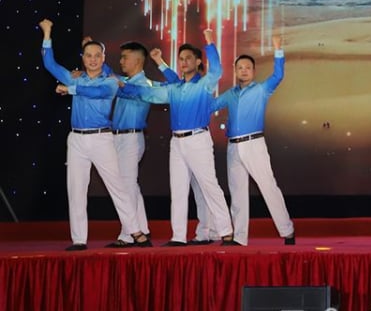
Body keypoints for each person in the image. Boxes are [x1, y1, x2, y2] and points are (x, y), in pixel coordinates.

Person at [38, 19, 151, 251]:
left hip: (101, 139)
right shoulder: (76, 77)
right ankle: (79, 239)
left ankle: (136, 231)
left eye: (97, 56)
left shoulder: (110, 82)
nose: (92, 59)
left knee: (117, 186)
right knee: (76, 189)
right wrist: (47, 33)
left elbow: (96, 92)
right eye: (88, 55)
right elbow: (50, 64)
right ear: (83, 58)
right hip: (77, 139)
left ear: (103, 58)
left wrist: (70, 89)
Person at [121, 30, 236, 246]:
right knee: (178, 189)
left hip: (198, 140)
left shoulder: (204, 84)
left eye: (188, 58)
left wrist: (210, 41)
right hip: (176, 142)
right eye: (181, 59)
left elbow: (217, 70)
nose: (183, 62)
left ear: (198, 62)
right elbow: (150, 94)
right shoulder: (174, 88)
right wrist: (124, 86)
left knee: (209, 186)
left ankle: (226, 232)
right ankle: (178, 237)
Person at [211, 36, 295, 246]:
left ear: (254, 71)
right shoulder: (230, 94)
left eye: (248, 67)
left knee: (268, 186)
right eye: (240, 68)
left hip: (254, 144)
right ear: (235, 71)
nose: (244, 71)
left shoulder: (261, 89)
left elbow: (278, 75)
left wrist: (277, 48)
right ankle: (239, 237)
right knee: (237, 192)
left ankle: (287, 231)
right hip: (233, 146)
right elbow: (211, 106)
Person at [105, 41, 155, 248]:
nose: (121, 61)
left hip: (131, 139)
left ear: (138, 60)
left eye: (125, 57)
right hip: (117, 138)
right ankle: (142, 228)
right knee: (130, 186)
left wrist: (113, 80)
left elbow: (126, 89)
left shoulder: (145, 85)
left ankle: (128, 234)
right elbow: (112, 78)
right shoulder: (124, 81)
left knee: (125, 186)